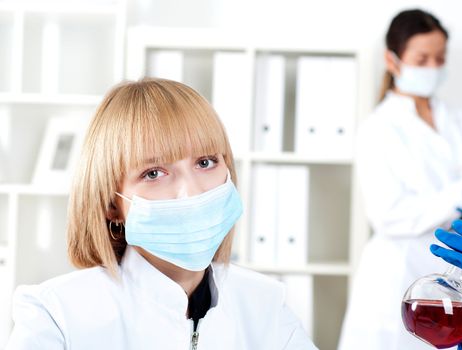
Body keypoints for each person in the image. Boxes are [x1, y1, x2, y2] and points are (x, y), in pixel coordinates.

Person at [6, 78, 318, 349]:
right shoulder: (56, 314)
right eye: (154, 173)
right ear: (112, 205)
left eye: (206, 162)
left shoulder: (265, 306)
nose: (192, 191)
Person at [338, 9, 462, 350]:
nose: (433, 68)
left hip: (458, 282)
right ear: (392, 61)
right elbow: (387, 213)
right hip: (398, 276)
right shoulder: (379, 128)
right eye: (422, 58)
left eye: (440, 58)